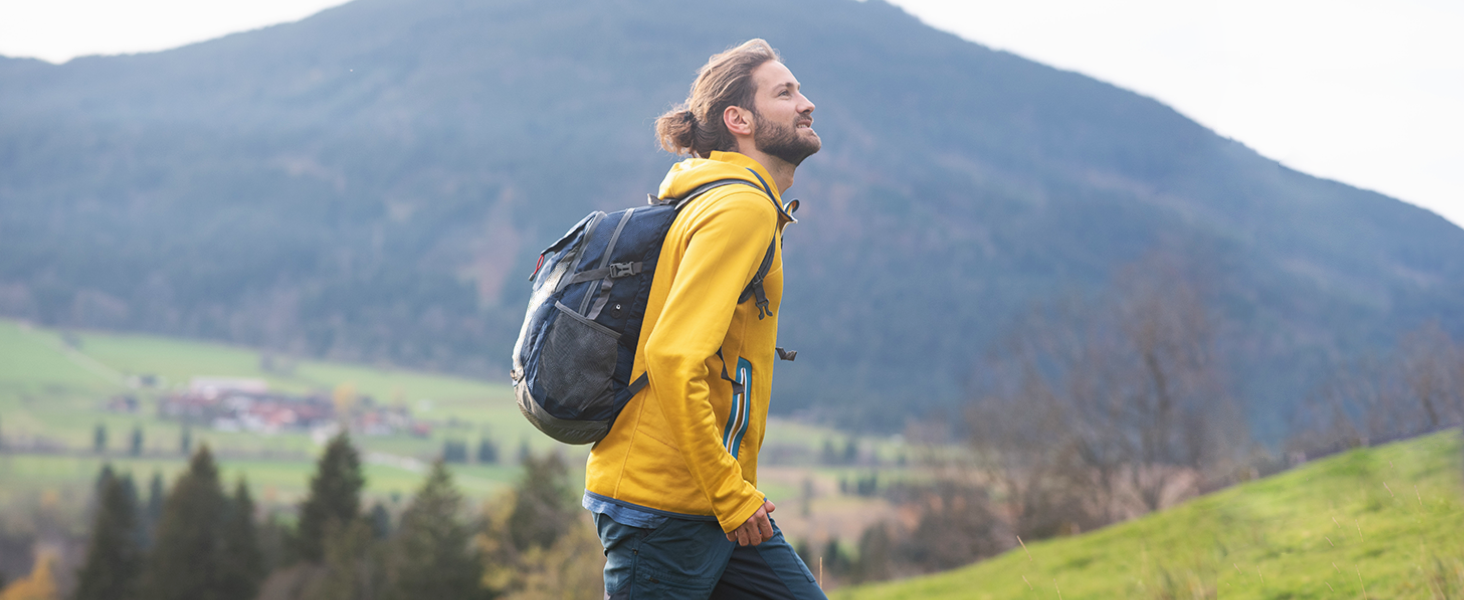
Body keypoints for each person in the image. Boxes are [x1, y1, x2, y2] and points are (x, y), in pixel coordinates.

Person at [582, 39, 826, 599]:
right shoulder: (740, 208)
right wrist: (729, 492)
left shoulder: (720, 198)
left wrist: (729, 493)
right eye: (785, 93)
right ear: (737, 119)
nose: (806, 103)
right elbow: (672, 356)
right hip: (667, 505)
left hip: (711, 499)